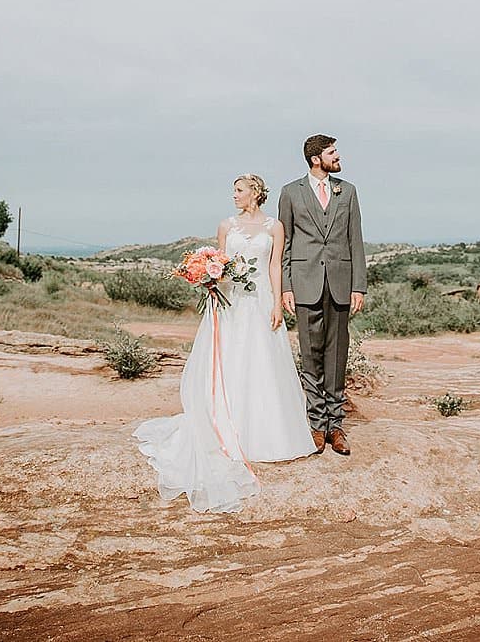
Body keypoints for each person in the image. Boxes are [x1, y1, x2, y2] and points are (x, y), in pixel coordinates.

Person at [134, 174, 315, 513]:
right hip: (229, 304)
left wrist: (276, 303)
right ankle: (224, 427)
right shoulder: (225, 226)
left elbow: (275, 266)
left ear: (255, 193)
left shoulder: (275, 227)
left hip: (259, 301)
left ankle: (263, 434)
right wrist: (208, 280)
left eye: (239, 190)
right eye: (233, 190)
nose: (234, 195)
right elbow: (219, 264)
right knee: (228, 360)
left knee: (263, 364)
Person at [278, 135, 367, 456]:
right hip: (304, 283)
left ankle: (336, 425)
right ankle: (316, 424)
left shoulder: (349, 191)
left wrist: (359, 285)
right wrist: (286, 286)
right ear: (316, 158)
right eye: (332, 152)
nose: (338, 156)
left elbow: (355, 240)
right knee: (310, 354)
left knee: (337, 354)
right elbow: (284, 245)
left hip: (341, 283)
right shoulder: (290, 193)